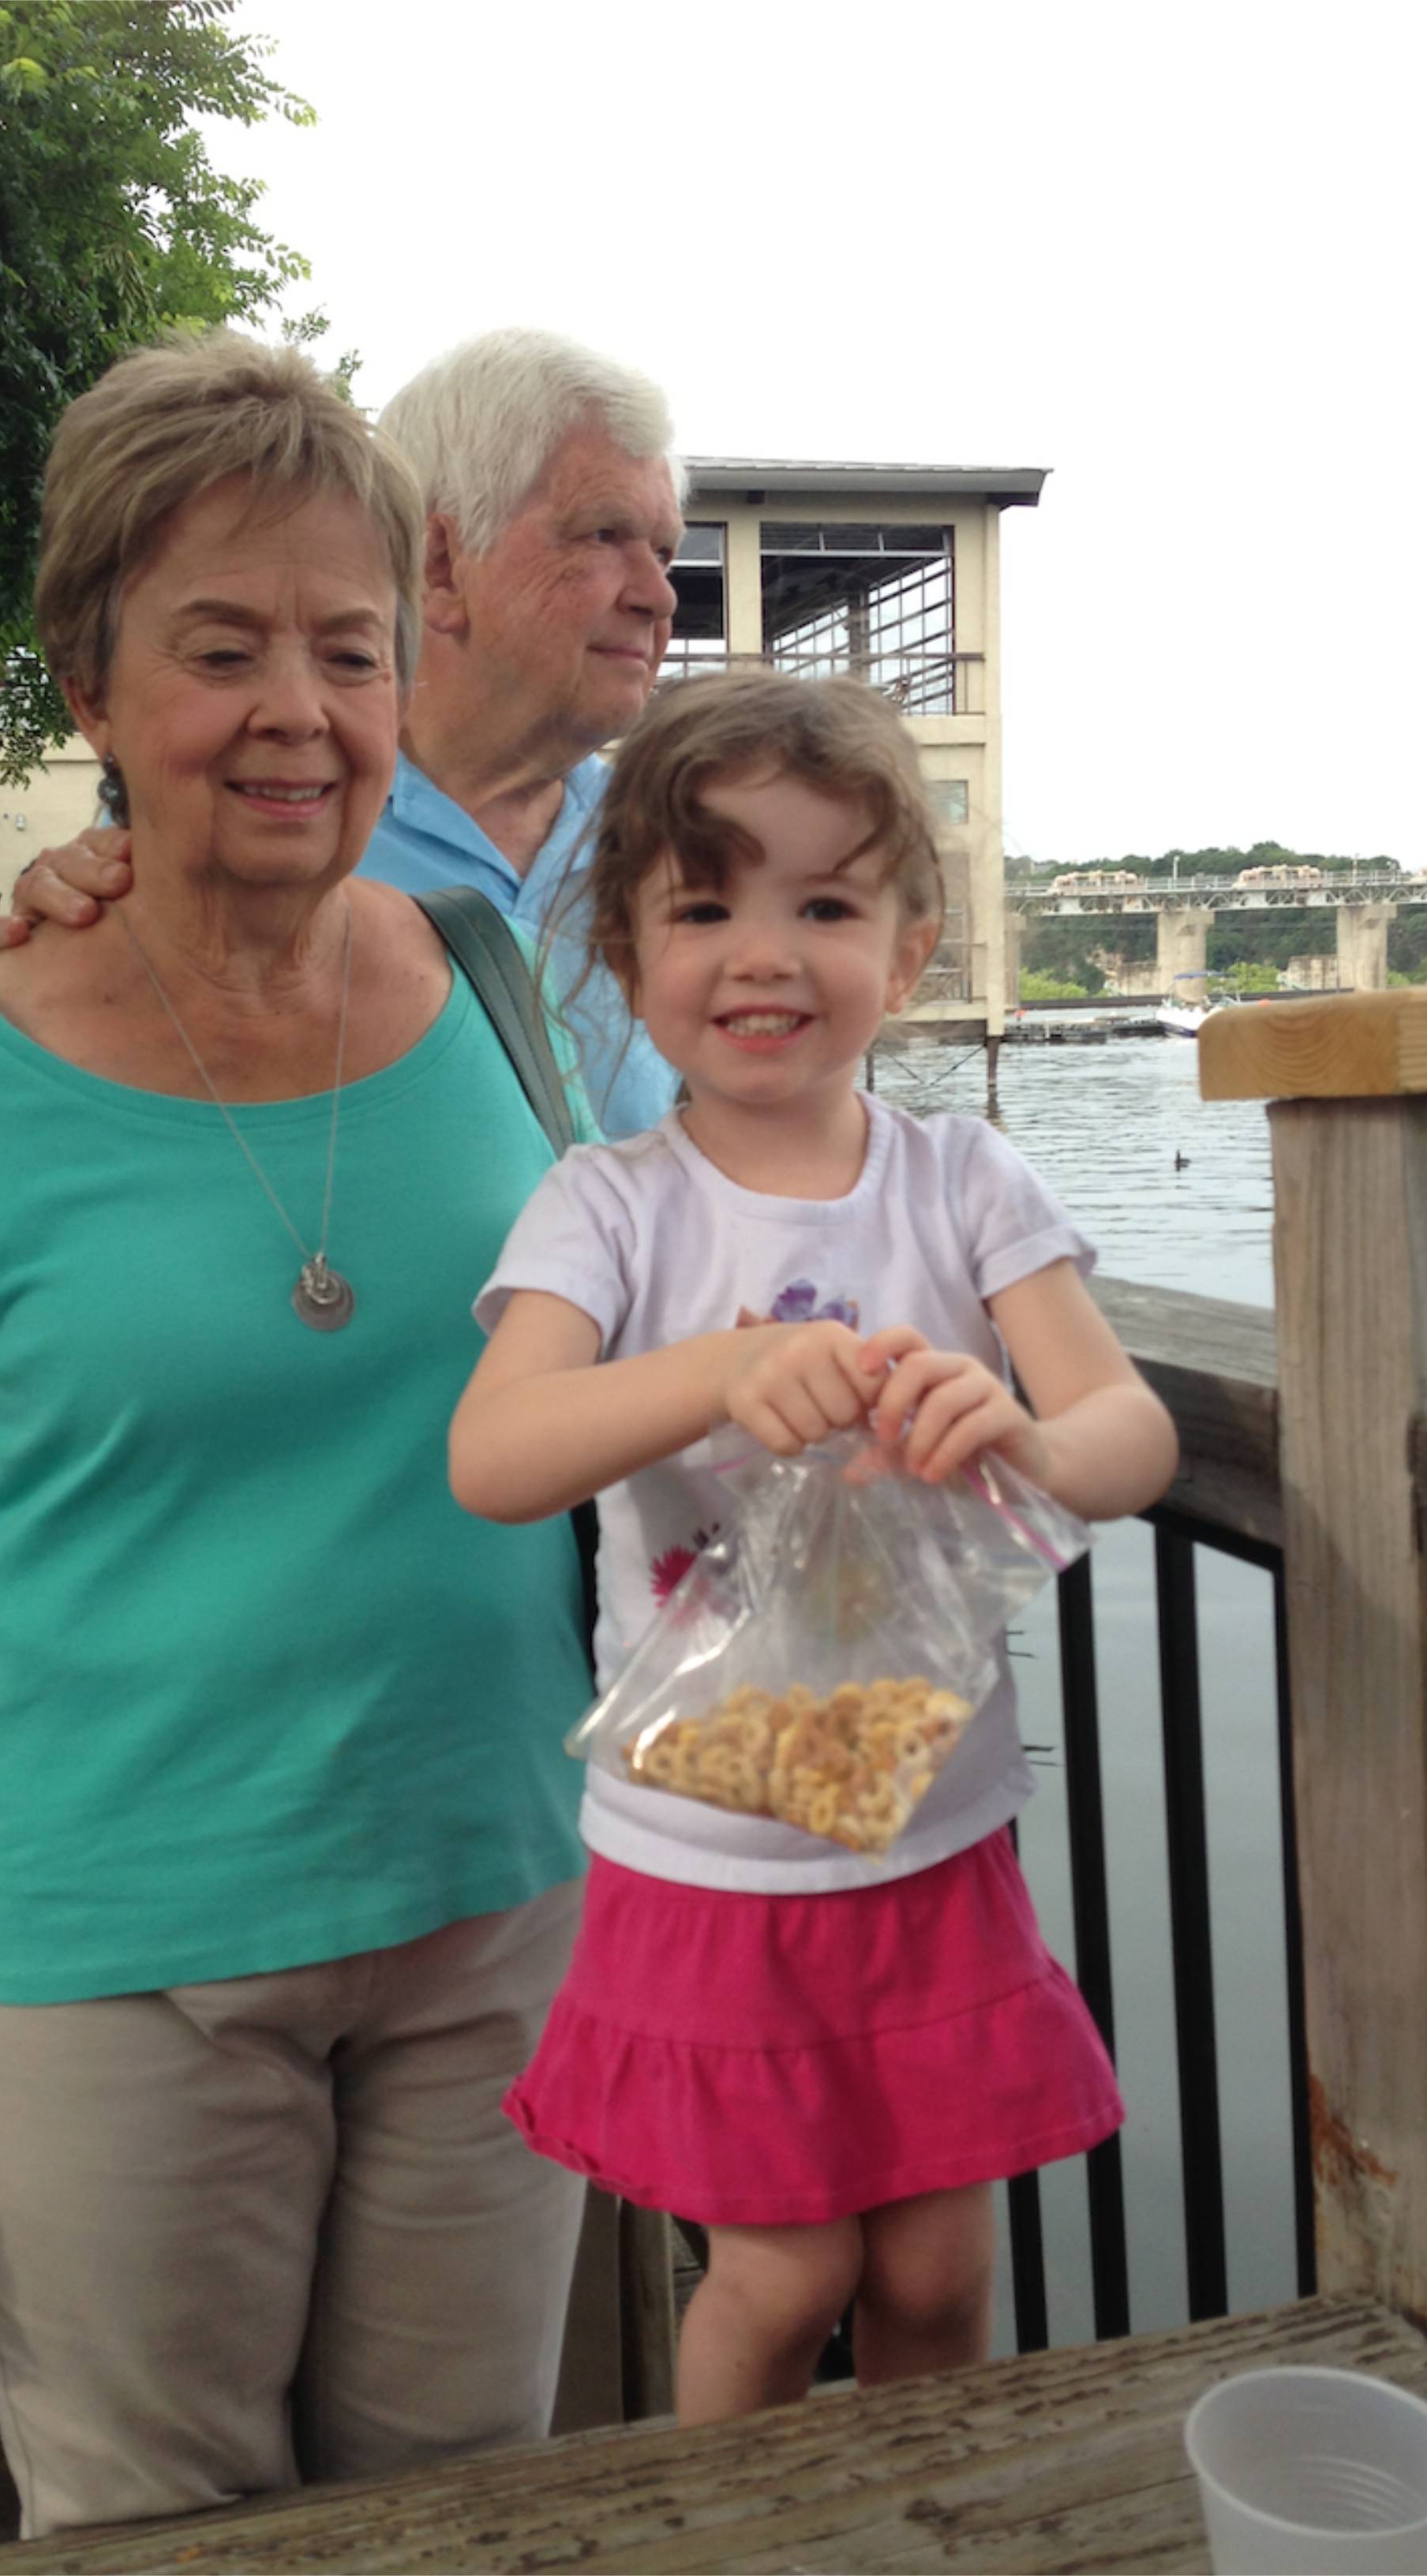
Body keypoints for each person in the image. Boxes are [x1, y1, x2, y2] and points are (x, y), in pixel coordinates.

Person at [0, 331, 598, 2540]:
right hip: (116, 1959)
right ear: (92, 687)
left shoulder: (491, 984)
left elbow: (666, 1288)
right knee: (159, 2534)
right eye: (220, 650)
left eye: (348, 649)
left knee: (465, 2517)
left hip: (497, 1907)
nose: (296, 711)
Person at [448, 672, 1179, 2426]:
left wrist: (1023, 1437)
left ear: (907, 952)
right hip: (706, 1857)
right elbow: (494, 1454)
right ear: (624, 956)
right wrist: (714, 1374)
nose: (763, 954)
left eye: (827, 906)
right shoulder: (608, 1204)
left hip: (932, 1831)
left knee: (935, 2270)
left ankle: (914, 2522)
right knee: (782, 2277)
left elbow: (1128, 1430)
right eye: (703, 907)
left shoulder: (963, 1180)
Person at [0, 328, 685, 1138]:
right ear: (440, 563)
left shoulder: (687, 841)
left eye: (665, 553)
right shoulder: (244, 817)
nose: (659, 596)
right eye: (604, 535)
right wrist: (71, 919)